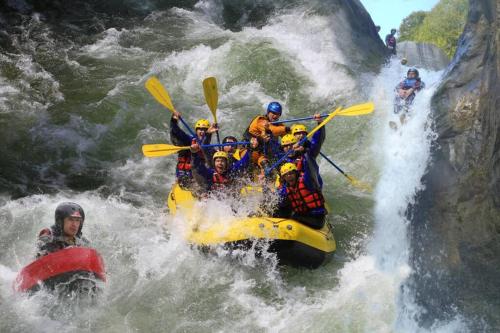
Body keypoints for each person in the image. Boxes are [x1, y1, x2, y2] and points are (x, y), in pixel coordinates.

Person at [170, 111, 218, 188]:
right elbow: (176, 132)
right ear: (196, 130)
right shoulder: (188, 140)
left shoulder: (210, 148)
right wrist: (174, 120)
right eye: (200, 129)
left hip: (196, 177)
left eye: (204, 130)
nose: (202, 131)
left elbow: (205, 146)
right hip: (183, 174)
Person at [274, 162, 326, 229]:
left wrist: (307, 154)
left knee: (293, 216)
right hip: (302, 215)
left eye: (291, 173)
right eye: (285, 175)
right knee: (278, 211)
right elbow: (276, 199)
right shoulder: (285, 189)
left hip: (316, 218)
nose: (289, 176)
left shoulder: (307, 181)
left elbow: (312, 167)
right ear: (283, 178)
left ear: (296, 173)